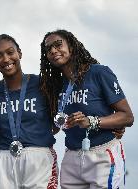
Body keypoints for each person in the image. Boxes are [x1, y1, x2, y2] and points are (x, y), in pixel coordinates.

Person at [40, 29, 134, 189]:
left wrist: (92, 121)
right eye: (48, 49)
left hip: (102, 152)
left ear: (71, 45)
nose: (54, 50)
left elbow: (127, 117)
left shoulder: (98, 72)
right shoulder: (54, 85)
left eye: (58, 45)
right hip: (71, 156)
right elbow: (54, 126)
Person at [0, 34, 58, 189]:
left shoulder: (43, 84)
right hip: (4, 158)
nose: (6, 59)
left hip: (38, 156)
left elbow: (59, 118)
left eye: (10, 52)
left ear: (19, 53)